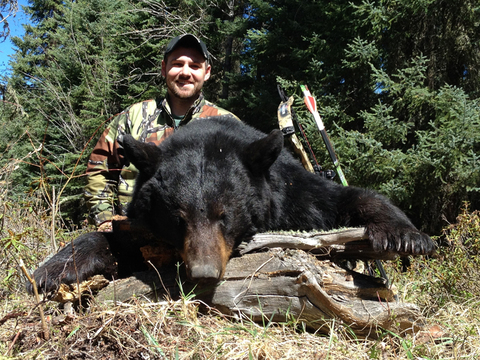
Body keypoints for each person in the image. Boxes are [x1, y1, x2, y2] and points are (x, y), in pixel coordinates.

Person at [84, 33, 239, 231]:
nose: (185, 72)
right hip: (134, 236)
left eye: (194, 66)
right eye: (177, 64)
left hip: (203, 240)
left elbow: (244, 185)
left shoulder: (226, 125)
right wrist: (105, 218)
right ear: (164, 69)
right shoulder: (133, 117)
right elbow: (99, 168)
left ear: (206, 72)